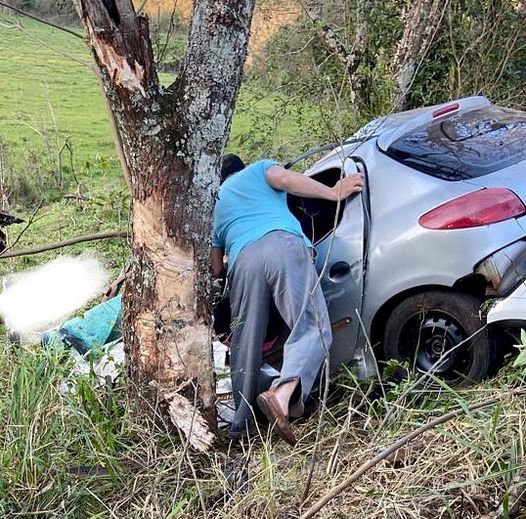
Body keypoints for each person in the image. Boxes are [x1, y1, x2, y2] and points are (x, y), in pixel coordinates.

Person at [211, 154, 363, 445]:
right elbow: (284, 180)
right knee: (313, 326)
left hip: (243, 262)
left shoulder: (215, 204)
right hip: (282, 244)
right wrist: (333, 192)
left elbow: (217, 268)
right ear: (240, 169)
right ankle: (282, 397)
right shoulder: (257, 171)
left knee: (245, 340)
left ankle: (241, 426)